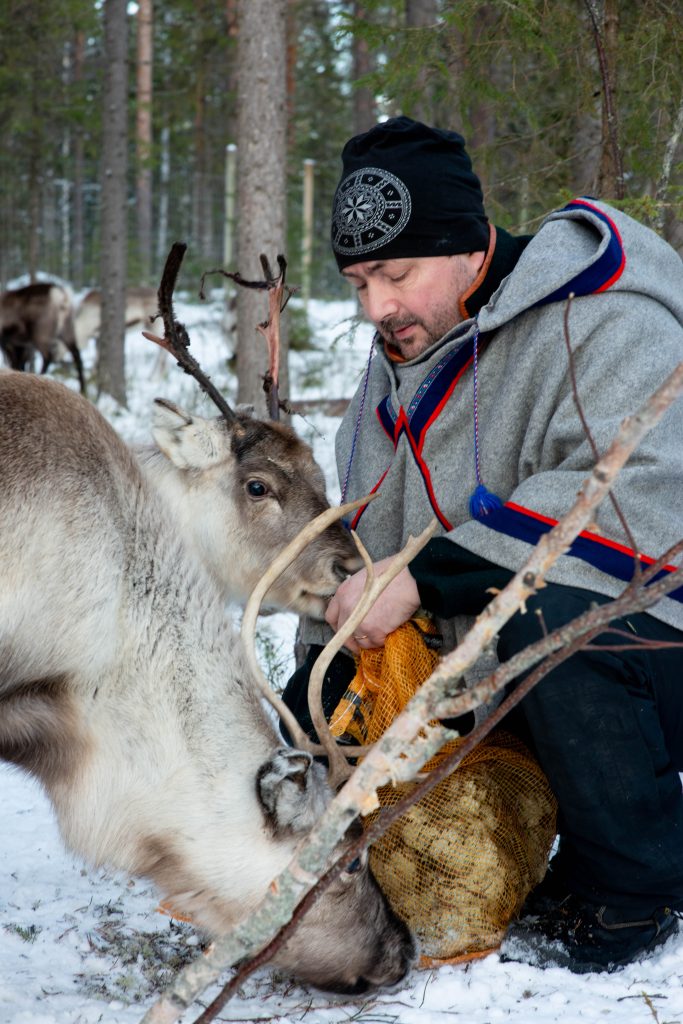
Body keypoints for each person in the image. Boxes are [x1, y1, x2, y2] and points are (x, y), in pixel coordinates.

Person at [282, 115, 683, 973]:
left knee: (553, 616)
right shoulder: (401, 355)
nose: (376, 307)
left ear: (470, 247)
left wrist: (420, 576)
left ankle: (630, 892)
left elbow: (628, 491)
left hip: (656, 638)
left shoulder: (605, 316)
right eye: (357, 282)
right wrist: (316, 683)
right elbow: (370, 536)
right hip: (511, 658)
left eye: (396, 273)